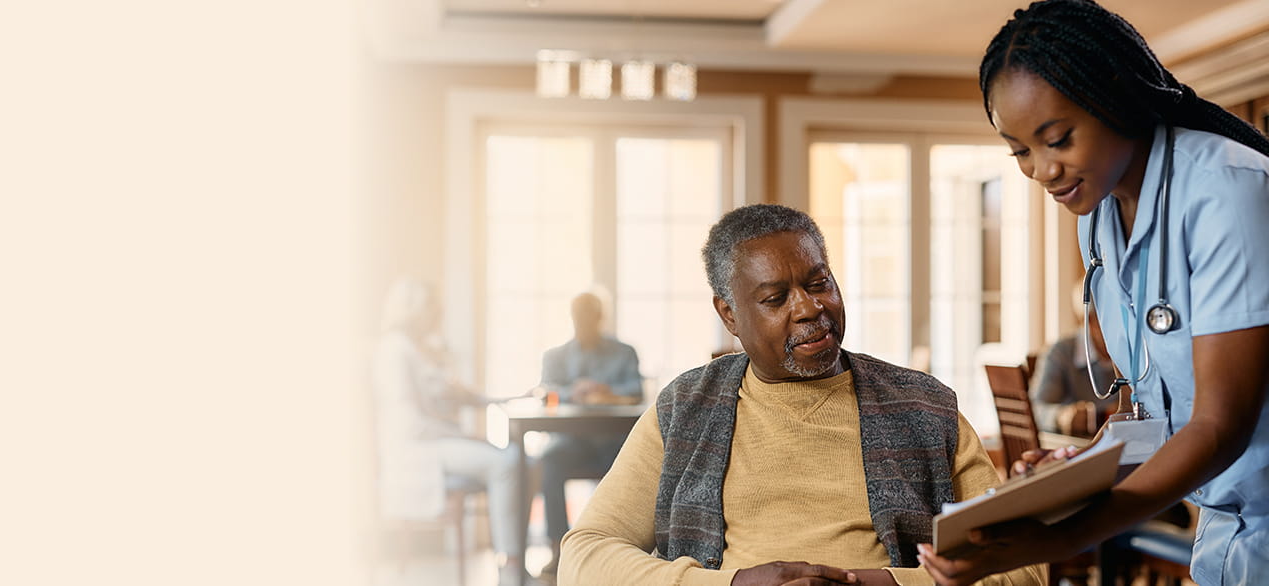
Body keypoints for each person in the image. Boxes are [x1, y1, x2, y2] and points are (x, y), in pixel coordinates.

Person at [918, 1, 1269, 585]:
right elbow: (1156, 408)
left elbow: (1218, 425)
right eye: (1021, 151)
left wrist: (1060, 538)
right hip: (1226, 536)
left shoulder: (1227, 193)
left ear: (1113, 96)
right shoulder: (1098, 216)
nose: (1041, 171)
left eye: (1056, 139)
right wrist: (1080, 471)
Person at [558, 204, 1043, 586]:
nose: (811, 308)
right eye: (775, 299)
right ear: (729, 315)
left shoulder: (926, 408)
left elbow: (1024, 569)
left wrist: (888, 583)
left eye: (820, 282)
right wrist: (734, 584)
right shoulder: (686, 408)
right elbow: (584, 556)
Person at [371, 277, 524, 582]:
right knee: (506, 461)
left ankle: (521, 557)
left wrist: (515, 398)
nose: (439, 312)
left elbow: (462, 395)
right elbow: (410, 423)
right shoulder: (393, 350)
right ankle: (510, 566)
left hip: (439, 440)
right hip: (416, 449)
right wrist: (467, 437)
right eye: (432, 306)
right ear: (413, 309)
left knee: (525, 460)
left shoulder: (425, 349)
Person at [537, 290, 643, 577]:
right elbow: (546, 391)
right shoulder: (555, 356)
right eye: (579, 317)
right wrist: (574, 392)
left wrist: (607, 392)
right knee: (548, 463)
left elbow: (636, 391)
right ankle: (558, 548)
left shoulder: (624, 353)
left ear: (600, 318)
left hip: (615, 443)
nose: (584, 323)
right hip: (573, 443)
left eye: (590, 317)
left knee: (637, 468)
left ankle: (622, 552)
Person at [1028, 278, 1117, 437]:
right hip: (1074, 450)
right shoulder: (1060, 353)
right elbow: (1035, 410)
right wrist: (1061, 417)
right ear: (1089, 321)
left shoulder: (1139, 354)